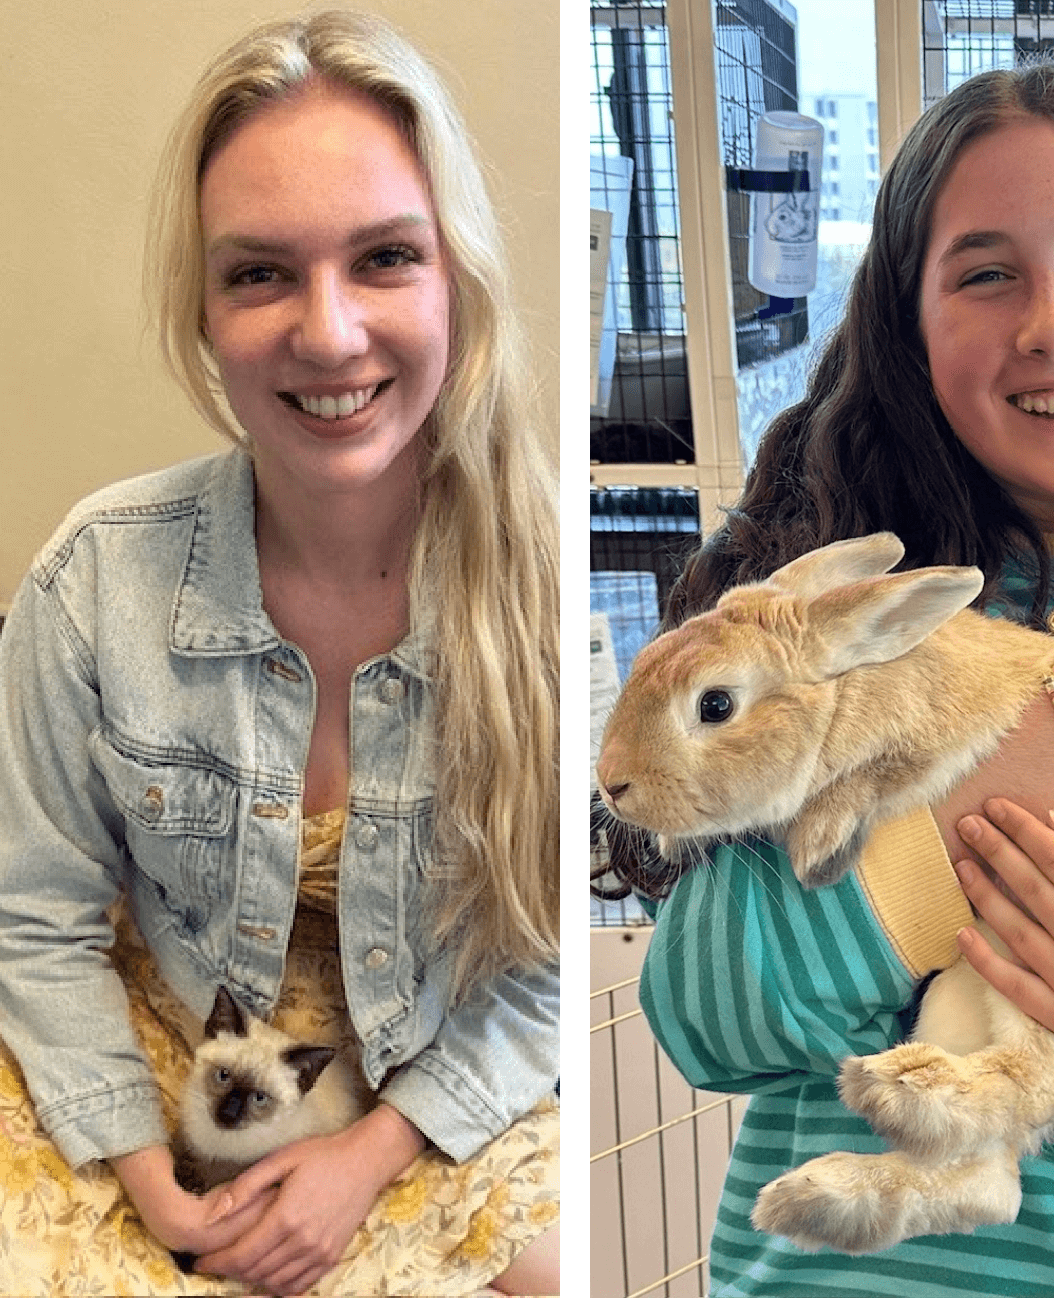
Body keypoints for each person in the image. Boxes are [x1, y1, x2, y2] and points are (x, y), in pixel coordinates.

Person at [0, 10, 559, 1297]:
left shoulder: (542, 599)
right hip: (152, 1045)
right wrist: (162, 1191)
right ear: (200, 311)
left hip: (423, 1077)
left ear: (454, 280)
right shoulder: (93, 577)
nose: (328, 332)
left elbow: (537, 967)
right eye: (260, 273)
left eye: (382, 258)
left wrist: (366, 1157)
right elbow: (32, 919)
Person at [613, 61, 1054, 1296]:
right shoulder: (812, 607)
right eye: (983, 272)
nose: (1051, 325)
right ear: (904, 321)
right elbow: (706, 1013)